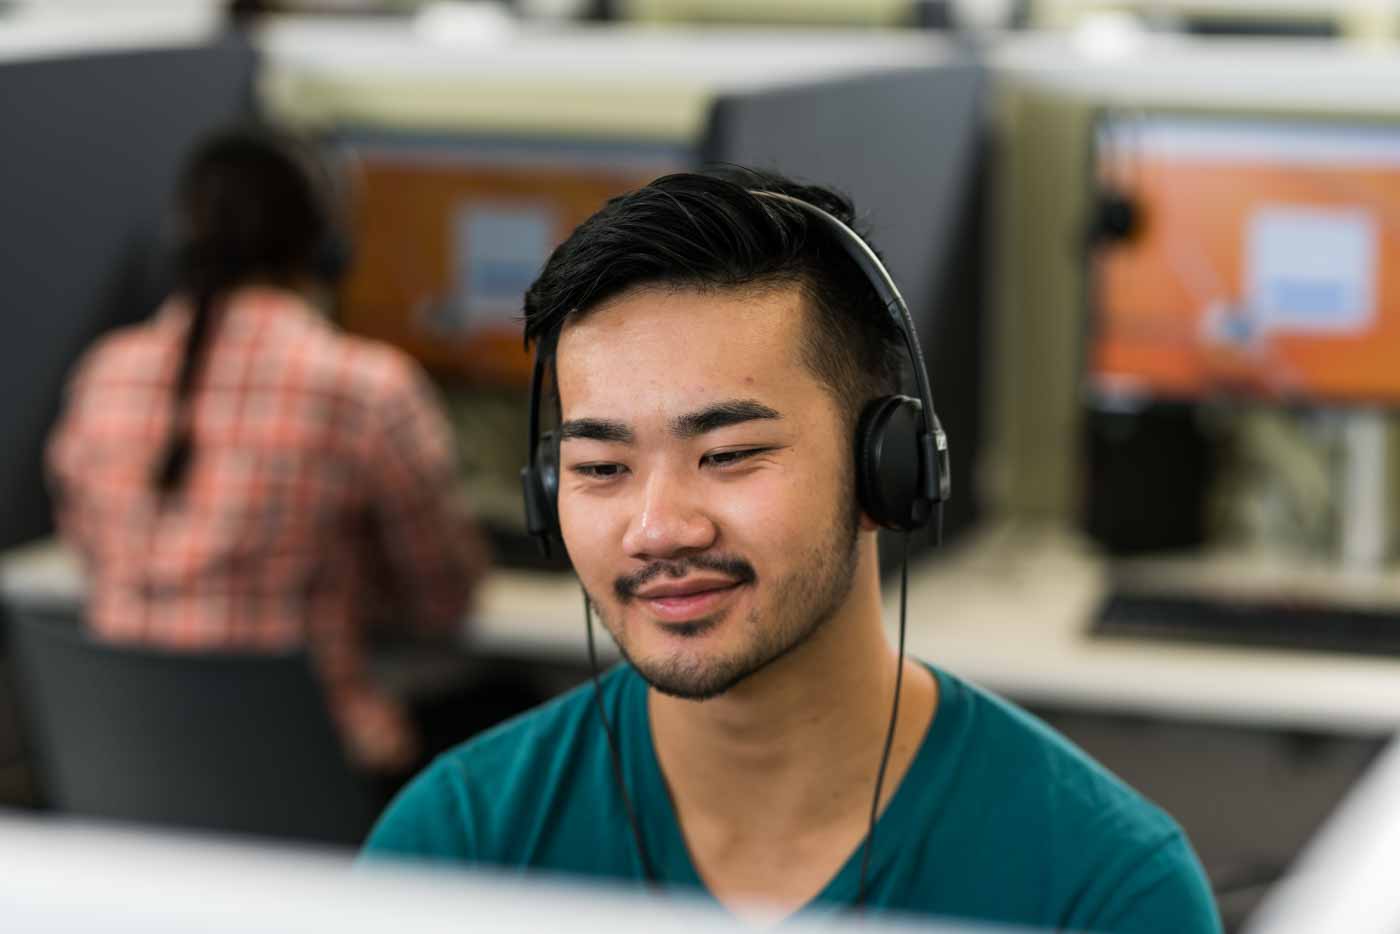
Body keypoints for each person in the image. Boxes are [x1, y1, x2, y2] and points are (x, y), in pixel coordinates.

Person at [361, 169, 1221, 932]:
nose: (657, 528)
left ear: (887, 472)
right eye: (602, 466)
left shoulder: (1102, 888)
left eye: (729, 455)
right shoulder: (455, 846)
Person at [46, 125, 490, 776]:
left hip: (133, 781)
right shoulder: (362, 386)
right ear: (328, 248)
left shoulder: (103, 372)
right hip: (303, 779)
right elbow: (443, 597)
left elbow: (87, 552)